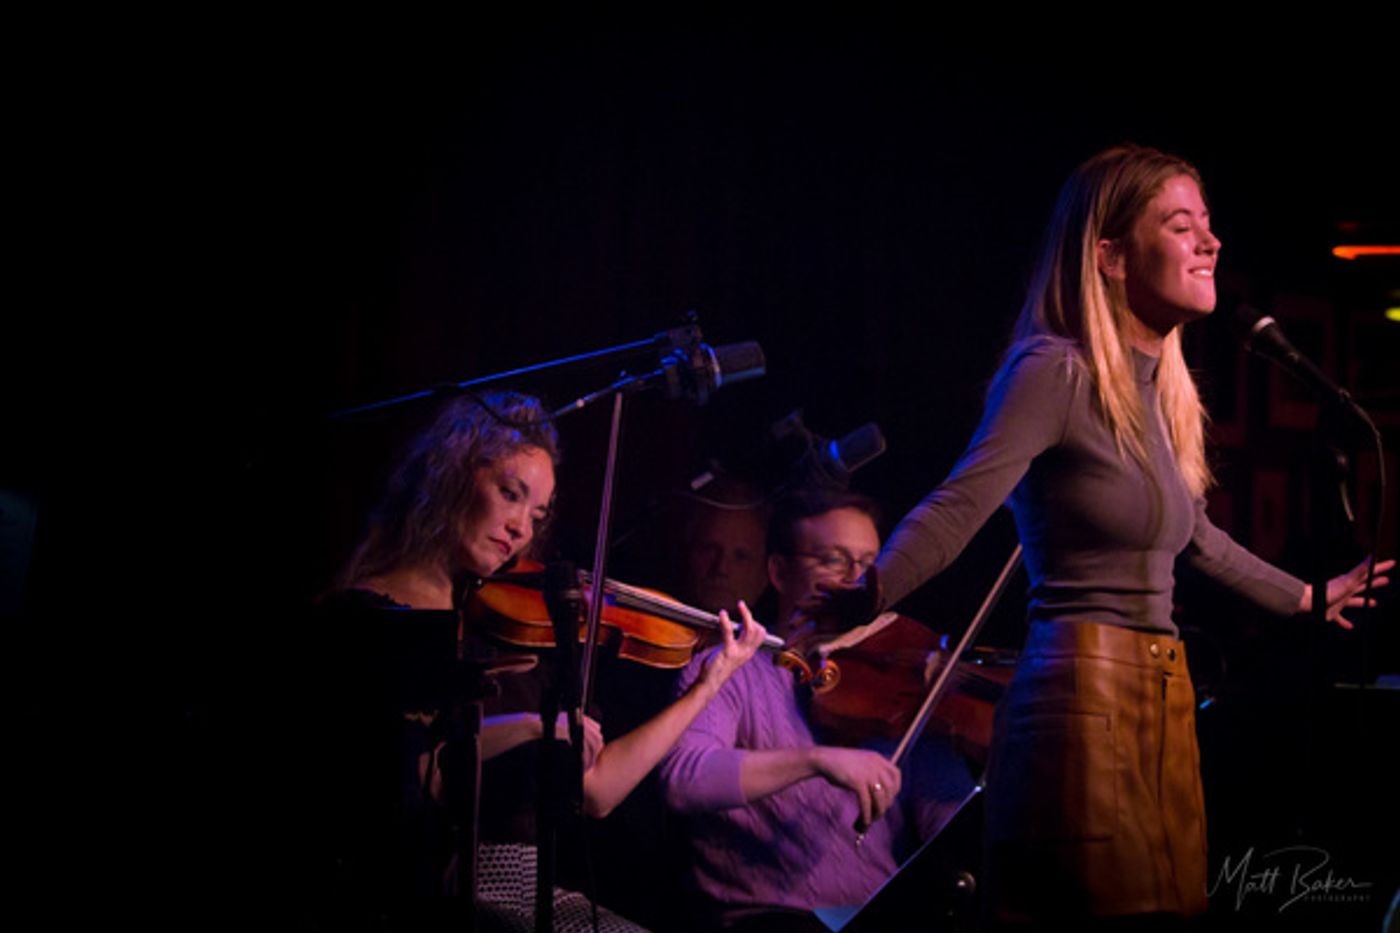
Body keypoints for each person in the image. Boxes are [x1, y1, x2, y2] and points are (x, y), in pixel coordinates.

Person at [817, 144, 1392, 925]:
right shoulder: (1054, 371)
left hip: (1165, 693)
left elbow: (1196, 537)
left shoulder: (1163, 397)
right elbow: (961, 503)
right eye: (1182, 225)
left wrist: (1305, 595)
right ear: (1110, 256)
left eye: (1210, 226)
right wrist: (871, 591)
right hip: (1082, 696)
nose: (1211, 243)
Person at [328, 391, 767, 924]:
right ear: (451, 478)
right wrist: (532, 727)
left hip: (531, 886)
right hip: (430, 888)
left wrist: (711, 681)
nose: (522, 528)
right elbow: (410, 776)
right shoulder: (370, 616)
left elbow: (601, 790)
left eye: (537, 514)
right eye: (510, 495)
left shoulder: (517, 623)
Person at [658, 489, 974, 930]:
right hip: (768, 920)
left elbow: (950, 815)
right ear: (780, 571)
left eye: (869, 565)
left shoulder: (900, 688)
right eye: (833, 560)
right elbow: (684, 778)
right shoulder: (730, 669)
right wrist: (815, 760)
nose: (855, 582)